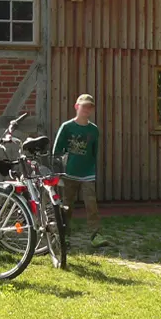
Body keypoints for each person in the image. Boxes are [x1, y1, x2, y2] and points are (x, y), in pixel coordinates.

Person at [53, 93, 108, 248]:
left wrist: (91, 169)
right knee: (67, 206)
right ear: (77, 107)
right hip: (69, 172)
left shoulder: (93, 130)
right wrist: (58, 170)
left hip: (87, 174)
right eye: (84, 106)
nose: (86, 110)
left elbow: (94, 151)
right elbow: (57, 150)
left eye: (89, 107)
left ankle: (95, 235)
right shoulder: (67, 127)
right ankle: (65, 235)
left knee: (91, 205)